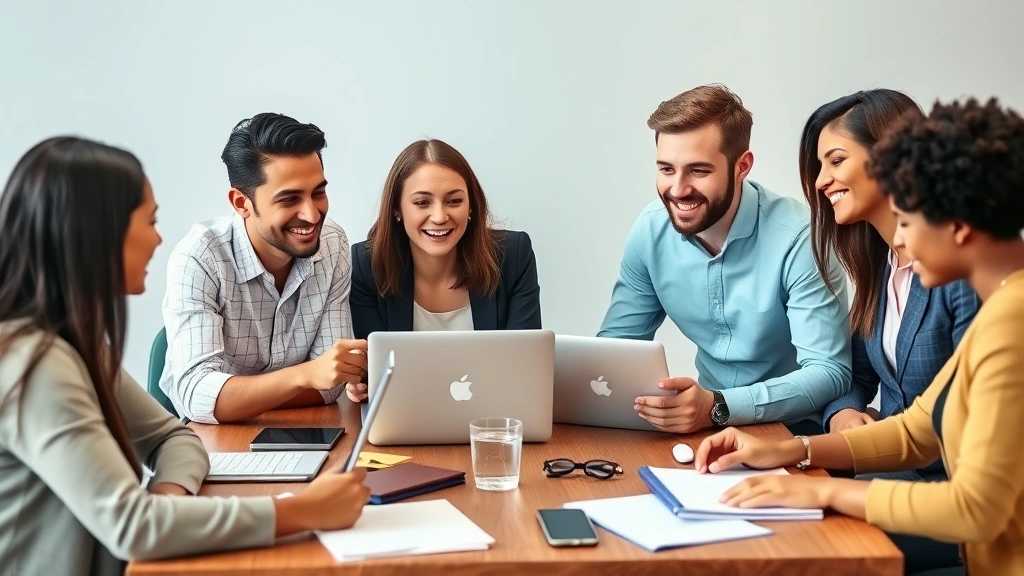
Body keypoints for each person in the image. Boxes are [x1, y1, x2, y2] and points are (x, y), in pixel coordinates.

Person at [0, 137, 370, 576]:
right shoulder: (34, 364)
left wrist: (167, 506)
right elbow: (135, 527)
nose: (158, 238)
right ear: (97, 233)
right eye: (150, 221)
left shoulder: (73, 343)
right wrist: (301, 512)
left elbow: (172, 439)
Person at [695, 97, 1024, 576]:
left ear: (955, 223)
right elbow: (918, 428)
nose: (902, 243)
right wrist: (793, 450)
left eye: (907, 221)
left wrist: (824, 489)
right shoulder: (1003, 308)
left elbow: (977, 508)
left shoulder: (1011, 321)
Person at [598, 84, 852, 435]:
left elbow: (829, 373)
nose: (678, 189)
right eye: (666, 169)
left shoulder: (800, 238)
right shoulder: (650, 231)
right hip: (704, 429)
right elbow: (614, 354)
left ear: (741, 166)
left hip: (793, 430)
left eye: (698, 171)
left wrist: (718, 406)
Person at [800, 88, 980, 575]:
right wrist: (843, 417)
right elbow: (854, 377)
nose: (821, 182)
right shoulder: (878, 263)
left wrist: (822, 473)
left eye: (835, 160)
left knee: (810, 536)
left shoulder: (961, 272)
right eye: (819, 165)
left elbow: (955, 427)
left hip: (950, 495)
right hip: (895, 468)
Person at [160, 113, 368, 423]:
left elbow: (331, 385)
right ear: (242, 204)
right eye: (289, 199)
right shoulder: (199, 257)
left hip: (305, 429)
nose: (312, 215)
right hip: (213, 443)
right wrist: (307, 375)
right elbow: (197, 396)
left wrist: (239, 398)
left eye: (318, 192)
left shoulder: (332, 242)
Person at [347, 138, 542, 402]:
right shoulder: (367, 265)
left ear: (471, 205)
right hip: (407, 421)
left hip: (493, 418)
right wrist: (360, 384)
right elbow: (373, 374)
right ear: (397, 209)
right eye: (422, 203)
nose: (439, 216)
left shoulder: (512, 255)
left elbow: (524, 366)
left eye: (454, 201)